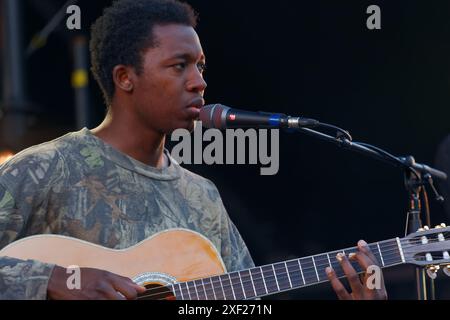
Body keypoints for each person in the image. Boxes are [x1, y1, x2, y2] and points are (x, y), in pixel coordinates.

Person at [0, 0, 386, 300]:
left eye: (201, 66)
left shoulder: (202, 198)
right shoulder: (45, 168)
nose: (199, 82)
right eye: (179, 65)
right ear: (125, 78)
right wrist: (54, 279)